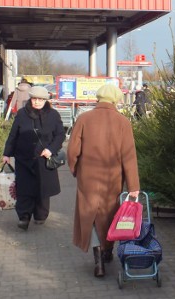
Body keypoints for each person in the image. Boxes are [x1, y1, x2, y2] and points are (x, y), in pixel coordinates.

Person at [67, 84, 140, 278]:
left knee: (89, 216)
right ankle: (108, 251)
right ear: (116, 100)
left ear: (98, 98)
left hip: (88, 178)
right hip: (112, 179)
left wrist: (75, 170)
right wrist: (133, 186)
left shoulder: (83, 119)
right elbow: (129, 156)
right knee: (109, 216)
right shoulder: (123, 122)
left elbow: (72, 151)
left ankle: (98, 262)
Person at [1, 86, 65, 231]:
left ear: (45, 100)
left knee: (43, 189)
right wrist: (6, 154)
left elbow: (60, 135)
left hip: (44, 159)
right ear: (30, 99)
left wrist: (50, 149)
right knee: (24, 189)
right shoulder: (22, 113)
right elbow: (13, 135)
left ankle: (40, 215)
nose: (36, 102)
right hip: (24, 158)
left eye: (40, 100)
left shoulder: (53, 115)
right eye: (34, 99)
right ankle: (24, 217)